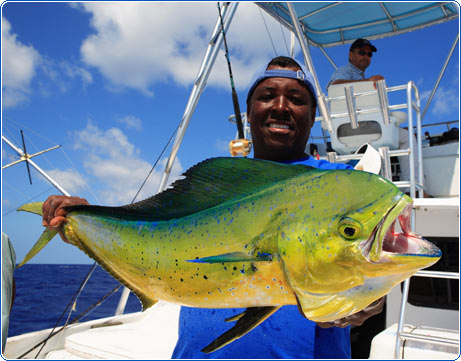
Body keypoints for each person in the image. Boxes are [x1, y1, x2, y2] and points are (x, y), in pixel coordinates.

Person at [41, 56, 384, 358]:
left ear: (313, 115)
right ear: (249, 113)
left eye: (296, 99)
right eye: (267, 96)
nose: (281, 106)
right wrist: (84, 222)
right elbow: (150, 230)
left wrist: (370, 300)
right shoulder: (220, 184)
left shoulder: (344, 184)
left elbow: (375, 268)